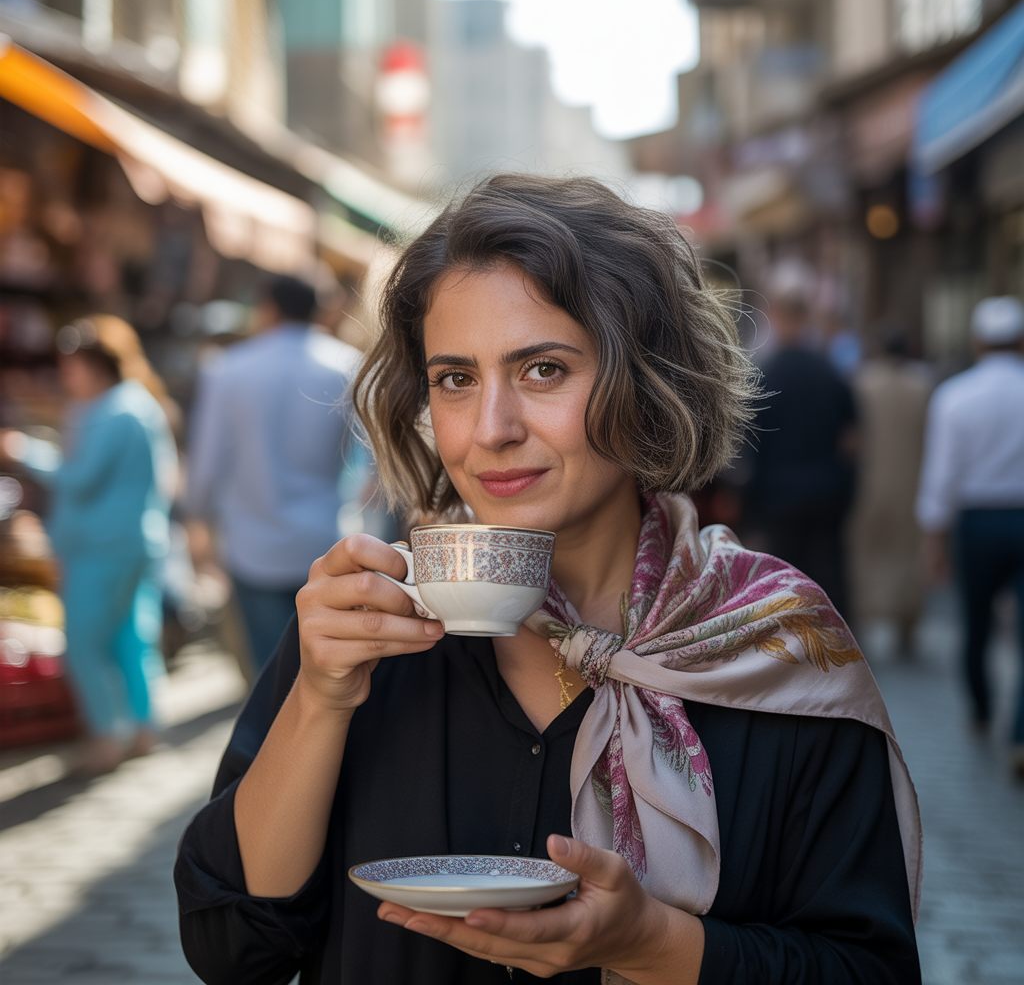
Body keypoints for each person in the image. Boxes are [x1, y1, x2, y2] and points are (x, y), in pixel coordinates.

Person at [175, 175, 921, 984]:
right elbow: (233, 946)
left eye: (542, 371)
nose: (491, 430)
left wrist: (654, 945)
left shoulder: (775, 646)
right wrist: (318, 699)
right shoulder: (366, 628)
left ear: (646, 381)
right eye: (455, 379)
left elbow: (867, 969)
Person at [1, 315, 177, 775]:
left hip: (101, 548)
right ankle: (142, 728)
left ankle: (108, 734)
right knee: (131, 639)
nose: (66, 377)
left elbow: (78, 479)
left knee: (84, 642)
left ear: (94, 365)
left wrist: (24, 450)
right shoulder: (139, 404)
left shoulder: (110, 410)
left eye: (71, 367)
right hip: (137, 541)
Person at [184, 275, 364, 672]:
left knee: (270, 673)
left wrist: (195, 516)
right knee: (327, 669)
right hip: (325, 538)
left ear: (269, 308)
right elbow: (369, 461)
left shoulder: (229, 369)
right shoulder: (347, 365)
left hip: (252, 542)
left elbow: (207, 458)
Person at [916, 295, 1024, 778]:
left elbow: (940, 477)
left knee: (975, 622)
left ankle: (981, 709)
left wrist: (933, 542)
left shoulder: (954, 396)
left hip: (976, 522)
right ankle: (1020, 732)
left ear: (979, 341)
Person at [744, 294, 858, 618]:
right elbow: (850, 443)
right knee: (831, 578)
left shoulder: (765, 375)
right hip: (828, 492)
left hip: (779, 496)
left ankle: (793, 656)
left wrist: (752, 503)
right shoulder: (831, 373)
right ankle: (841, 652)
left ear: (777, 317)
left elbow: (751, 446)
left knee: (784, 584)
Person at [850, 329, 932, 653]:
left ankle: (864, 621)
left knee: (864, 554)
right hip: (912, 484)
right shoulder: (923, 387)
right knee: (910, 555)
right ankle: (906, 626)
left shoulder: (861, 384)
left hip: (868, 484)